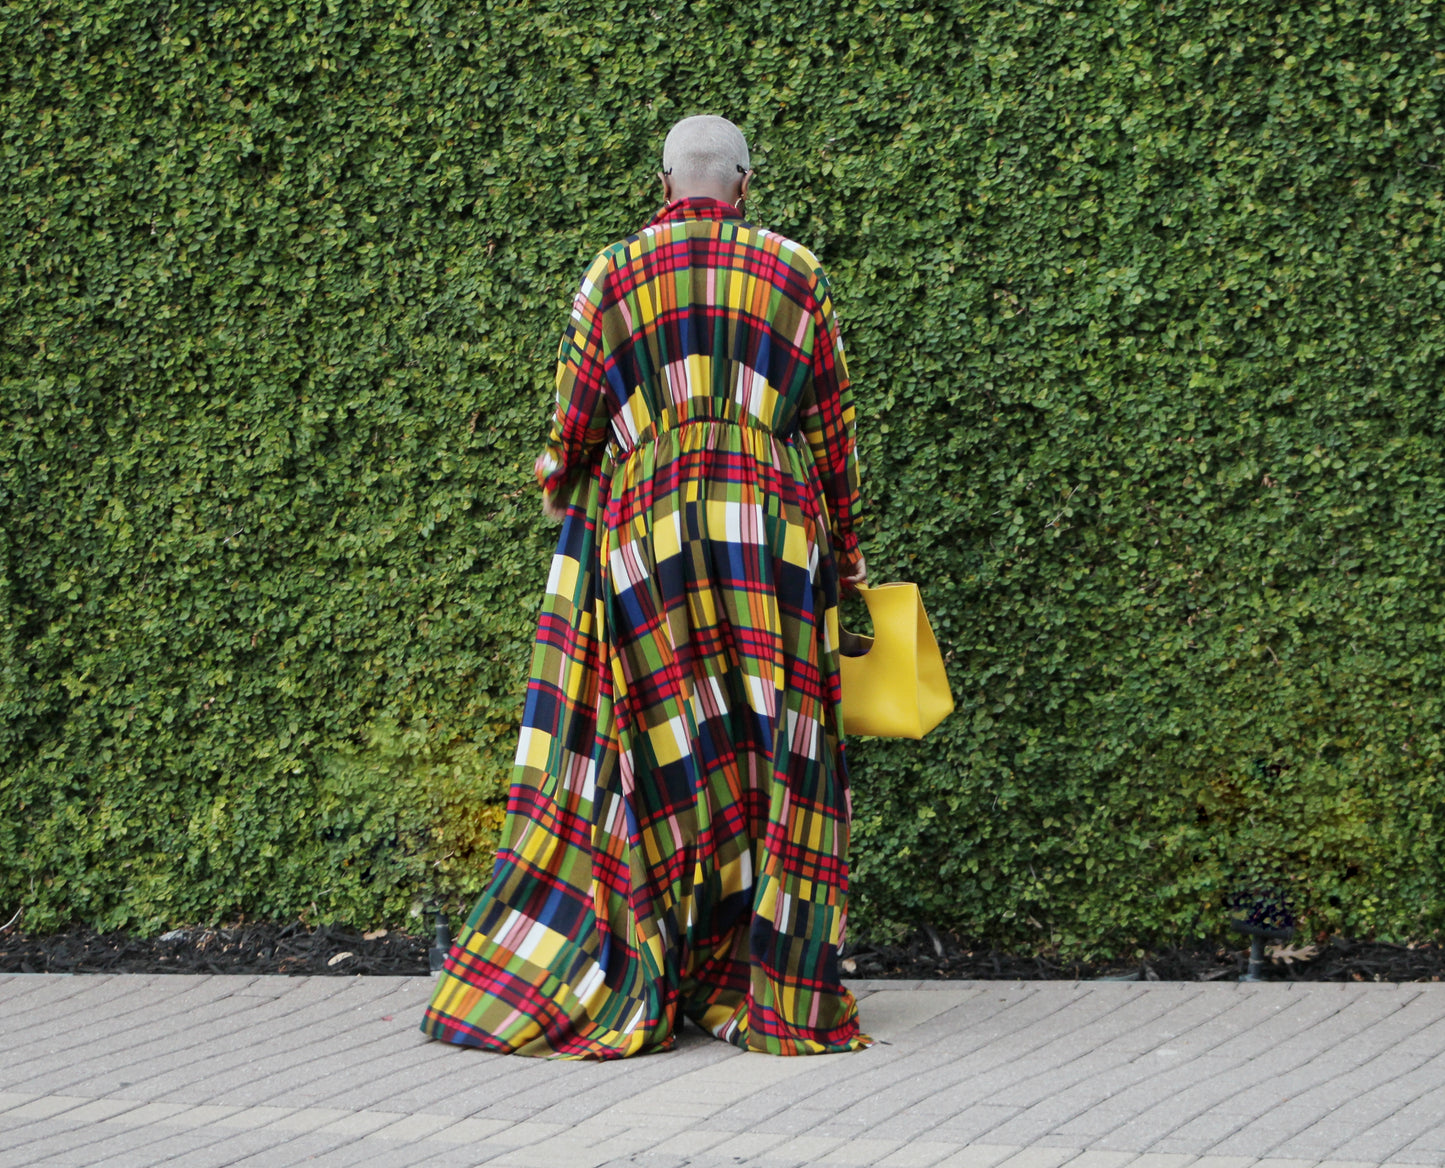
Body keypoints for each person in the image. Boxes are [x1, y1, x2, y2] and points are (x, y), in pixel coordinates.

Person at [421, 115, 869, 1058]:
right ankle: (771, 988)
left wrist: (562, 484)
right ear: (742, 185)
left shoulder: (612, 274)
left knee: (668, 750)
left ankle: (654, 972)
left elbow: (572, 422)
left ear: (664, 186)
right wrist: (850, 549)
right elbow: (830, 427)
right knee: (772, 753)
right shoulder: (796, 271)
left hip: (648, 535)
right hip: (768, 535)